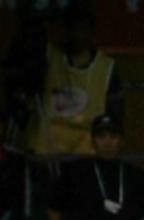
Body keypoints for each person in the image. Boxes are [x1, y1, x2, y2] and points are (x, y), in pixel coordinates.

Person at [25, 3, 124, 156]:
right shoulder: (48, 56)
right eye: (73, 28)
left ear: (91, 30)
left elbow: (116, 114)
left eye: (82, 28)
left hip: (88, 144)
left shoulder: (107, 67)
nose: (77, 34)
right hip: (48, 142)